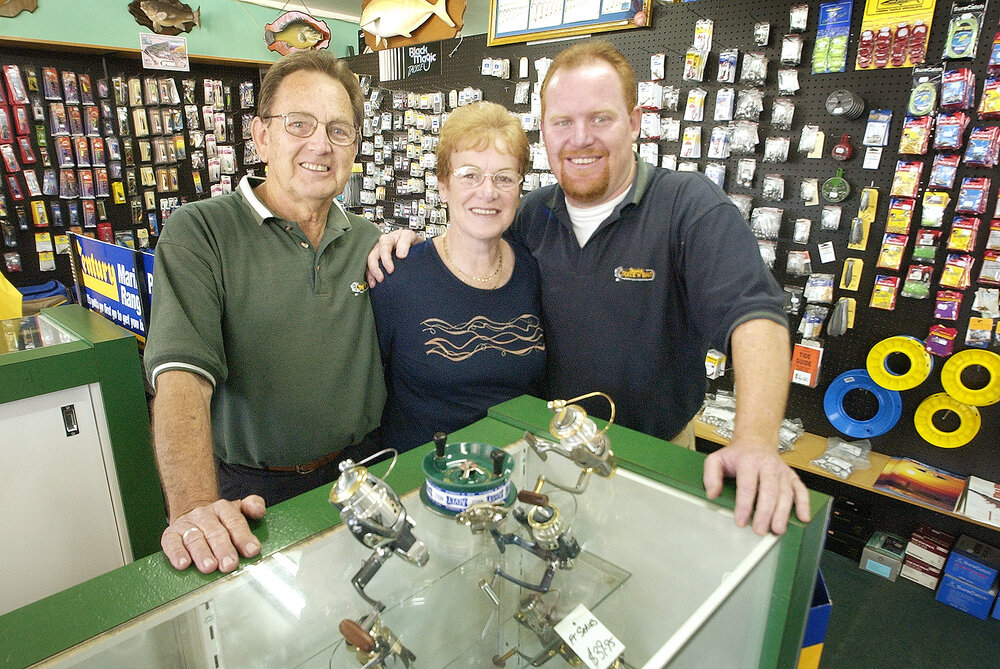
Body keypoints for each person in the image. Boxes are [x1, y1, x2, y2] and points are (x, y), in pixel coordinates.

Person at [368, 40, 811, 536]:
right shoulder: (531, 215)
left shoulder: (687, 207)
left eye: (600, 118)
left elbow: (755, 315)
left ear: (636, 120)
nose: (580, 139)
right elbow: (472, 241)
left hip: (652, 457)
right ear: (545, 130)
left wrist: (755, 441)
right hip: (545, 458)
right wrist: (409, 243)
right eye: (563, 122)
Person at [144, 51, 385, 574]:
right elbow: (181, 377)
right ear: (260, 136)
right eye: (299, 124)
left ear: (355, 147)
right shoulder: (199, 231)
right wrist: (194, 512)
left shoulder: (369, 241)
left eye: (340, 130)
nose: (320, 144)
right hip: (254, 495)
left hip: (363, 475)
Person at [371, 102, 545, 454]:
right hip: (420, 482)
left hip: (513, 473)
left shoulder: (534, 272)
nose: (488, 191)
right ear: (443, 186)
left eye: (504, 177)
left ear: (519, 190)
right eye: (470, 174)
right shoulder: (397, 277)